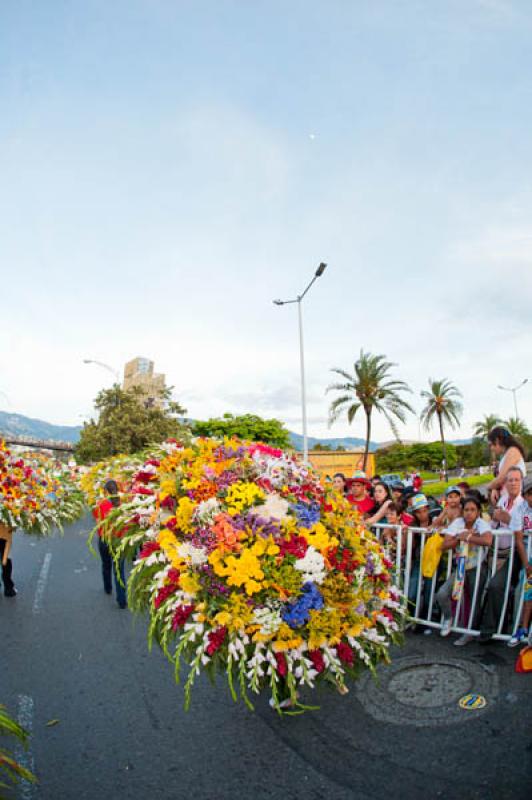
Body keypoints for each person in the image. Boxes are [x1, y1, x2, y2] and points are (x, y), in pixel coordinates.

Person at [436, 495, 492, 646]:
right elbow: (444, 544)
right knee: (442, 593)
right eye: (466, 509)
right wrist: (460, 538)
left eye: (473, 510)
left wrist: (467, 537)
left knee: (475, 600)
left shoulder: (481, 523)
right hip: (460, 567)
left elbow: (487, 540)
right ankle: (448, 618)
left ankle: (469, 633)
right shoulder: (458, 522)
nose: (469, 513)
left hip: (477, 568)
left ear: (478, 511)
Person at [477, 468, 524, 643]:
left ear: (521, 482)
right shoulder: (503, 499)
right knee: (482, 582)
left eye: (516, 480)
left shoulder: (525, 503)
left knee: (497, 585)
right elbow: (494, 522)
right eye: (509, 480)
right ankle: (479, 624)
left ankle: (488, 631)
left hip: (515, 554)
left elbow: (527, 530)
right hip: (494, 551)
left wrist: (509, 519)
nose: (513, 483)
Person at [93, 479, 127, 609]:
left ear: (106, 491)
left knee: (106, 565)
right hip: (120, 541)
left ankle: (108, 588)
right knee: (119, 570)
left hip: (105, 540)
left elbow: (98, 523)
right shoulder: (124, 505)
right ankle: (122, 600)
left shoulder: (100, 504)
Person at [507, 478, 532, 647]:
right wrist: (527, 565)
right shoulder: (518, 510)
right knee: (526, 593)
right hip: (528, 558)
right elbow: (518, 539)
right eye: (530, 494)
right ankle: (521, 628)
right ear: (524, 495)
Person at [486, 426, 526, 504]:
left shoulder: (512, 451)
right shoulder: (507, 454)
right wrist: (495, 489)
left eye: (491, 444)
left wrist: (488, 487)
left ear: (497, 440)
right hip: (509, 500)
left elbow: (501, 478)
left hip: (518, 501)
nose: (491, 448)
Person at [0, 523, 16, 597]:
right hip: (5, 531)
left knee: (6, 560)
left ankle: (8, 587)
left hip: (5, 530)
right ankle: (8, 588)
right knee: (6, 559)